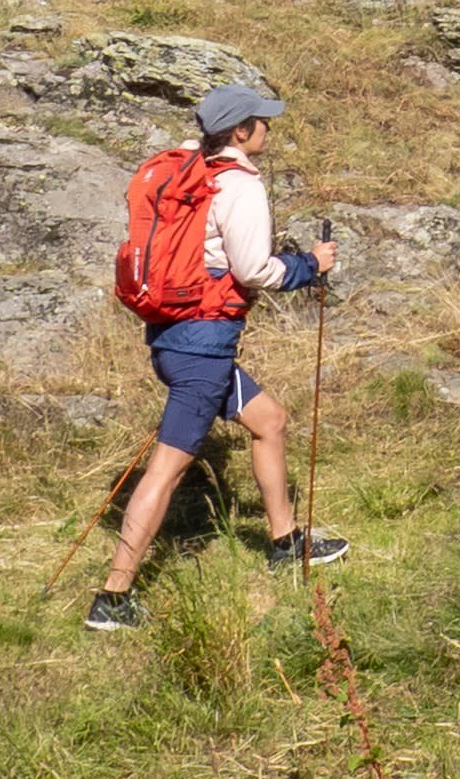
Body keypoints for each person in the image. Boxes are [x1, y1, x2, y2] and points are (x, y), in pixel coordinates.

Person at [83, 79, 346, 631]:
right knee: (167, 472)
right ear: (241, 131)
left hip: (174, 337)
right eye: (262, 121)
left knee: (269, 419)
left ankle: (285, 541)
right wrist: (310, 267)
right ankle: (113, 598)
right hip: (203, 350)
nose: (269, 128)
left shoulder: (191, 172)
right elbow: (254, 271)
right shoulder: (239, 186)